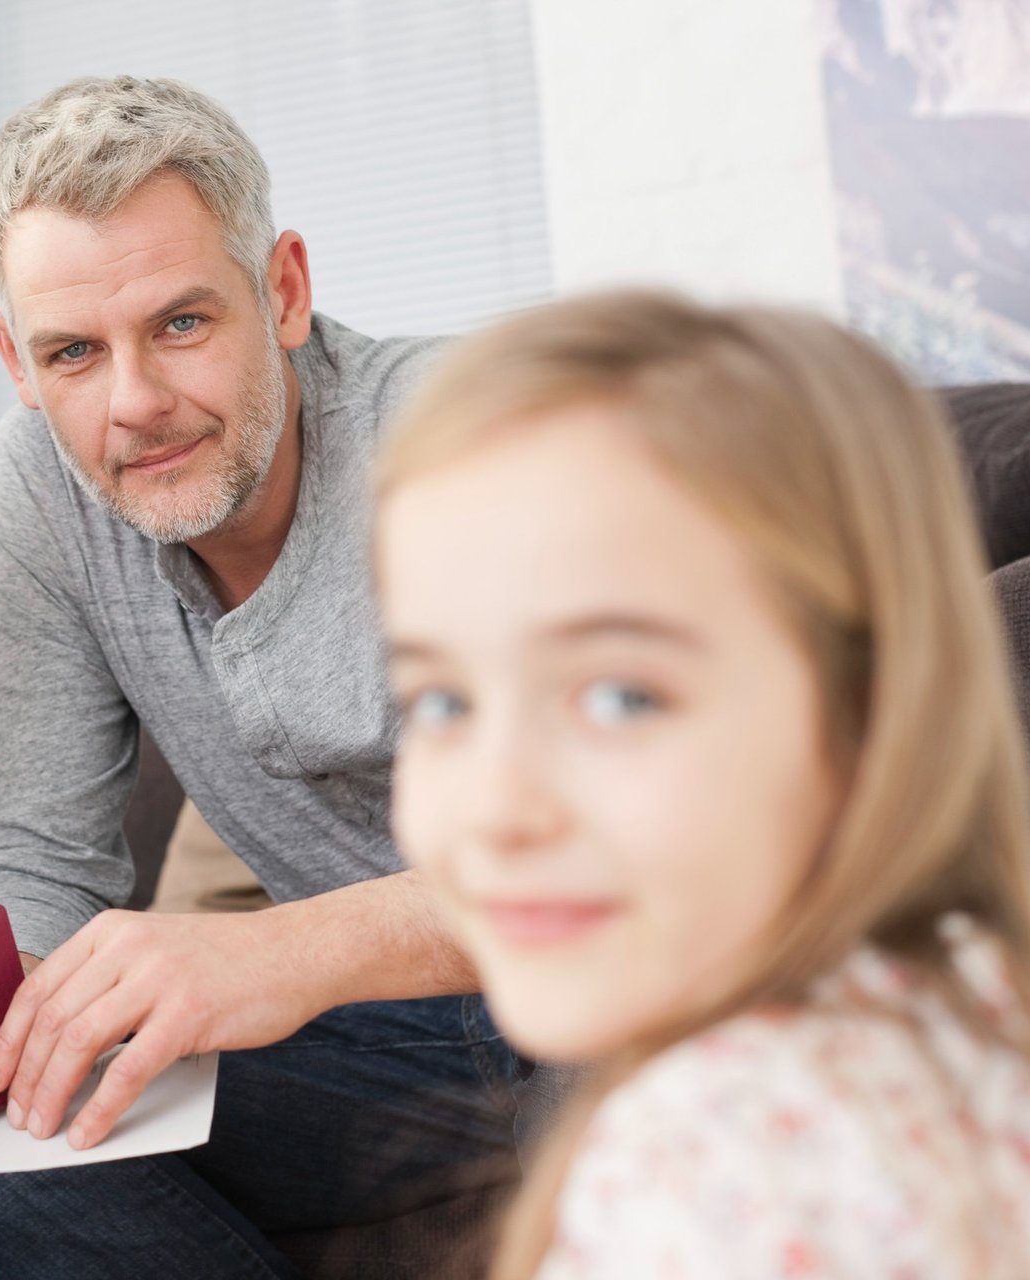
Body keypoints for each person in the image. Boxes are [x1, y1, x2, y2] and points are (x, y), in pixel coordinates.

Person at [0, 76, 530, 1277]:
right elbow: (36, 847)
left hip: (608, 983)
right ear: (14, 359)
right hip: (382, 1052)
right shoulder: (40, 488)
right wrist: (0, 1022)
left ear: (283, 290)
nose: (134, 402)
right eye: (73, 351)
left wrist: (282, 954)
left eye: (182, 323)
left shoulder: (472, 441)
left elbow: (633, 851)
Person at [373, 290, 1030, 1277]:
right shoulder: (968, 995)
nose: (492, 808)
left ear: (867, 712)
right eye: (440, 702)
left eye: (622, 696)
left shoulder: (707, 1163)